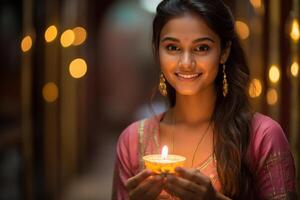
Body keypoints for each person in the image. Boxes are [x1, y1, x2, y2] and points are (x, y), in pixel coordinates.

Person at [112, 0, 297, 199]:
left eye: (201, 48)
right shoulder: (133, 141)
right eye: (173, 48)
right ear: (157, 50)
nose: (186, 63)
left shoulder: (262, 136)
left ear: (224, 52)